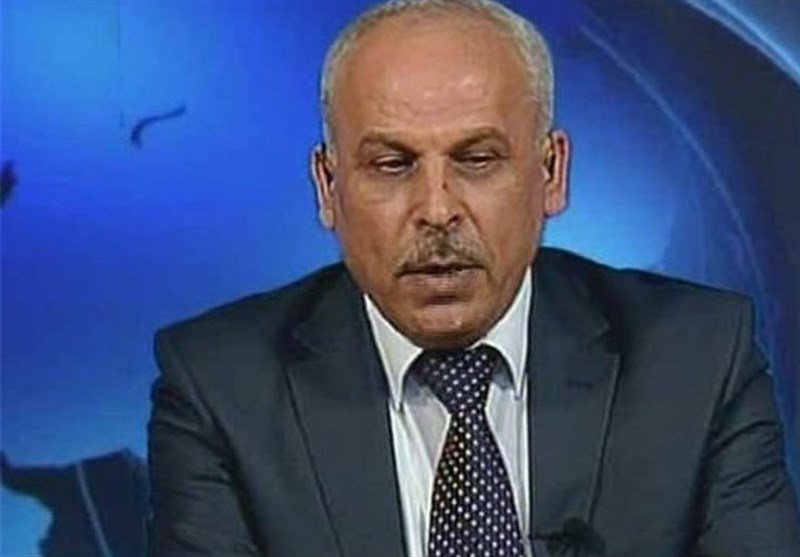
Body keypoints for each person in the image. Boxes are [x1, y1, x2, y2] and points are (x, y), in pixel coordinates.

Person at [146, 0, 800, 555]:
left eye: (478, 159)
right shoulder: (220, 389)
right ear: (327, 185)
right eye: (392, 164)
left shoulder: (697, 360)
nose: (436, 210)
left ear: (551, 173)